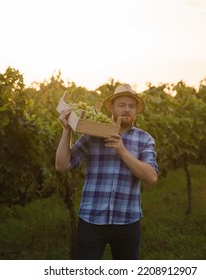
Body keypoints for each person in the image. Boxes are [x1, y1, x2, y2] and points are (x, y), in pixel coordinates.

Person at [55, 84, 158, 260]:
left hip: (127, 221)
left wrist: (122, 151)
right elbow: (62, 165)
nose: (127, 110)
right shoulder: (93, 134)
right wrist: (66, 131)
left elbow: (151, 178)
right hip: (92, 219)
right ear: (112, 108)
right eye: (122, 105)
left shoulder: (144, 139)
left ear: (136, 111)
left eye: (131, 106)